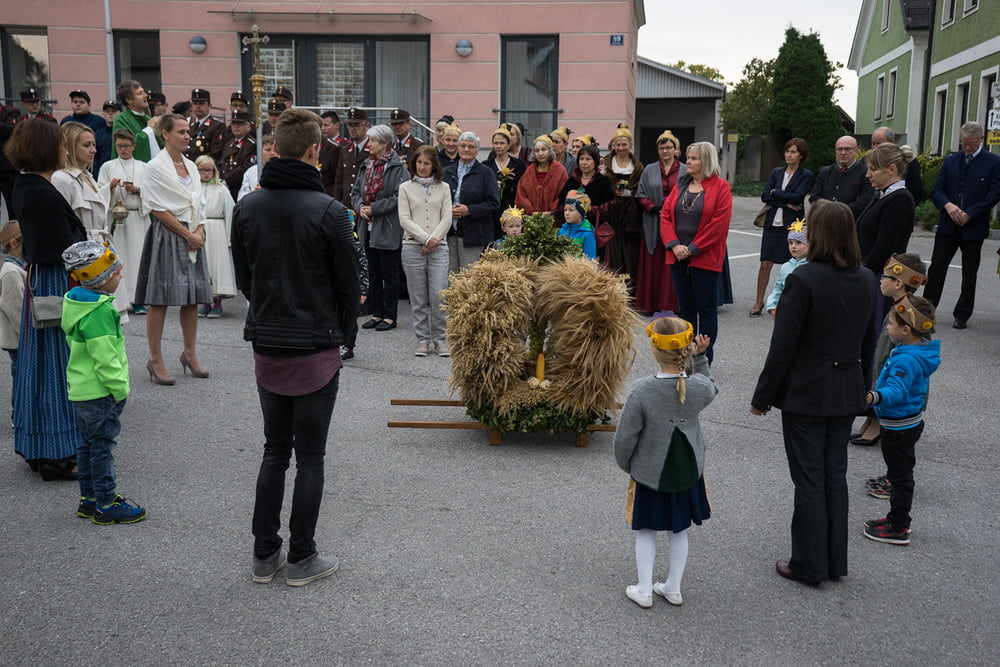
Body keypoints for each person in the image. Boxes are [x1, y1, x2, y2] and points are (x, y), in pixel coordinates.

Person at [231, 106, 360, 587]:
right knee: (309, 457)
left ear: (276, 149)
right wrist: (344, 337)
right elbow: (350, 285)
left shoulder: (247, 207)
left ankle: (265, 554)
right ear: (313, 150)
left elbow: (244, 277)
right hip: (316, 346)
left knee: (274, 451)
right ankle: (302, 555)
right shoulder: (331, 211)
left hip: (268, 342)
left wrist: (267, 313)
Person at [750, 201, 878, 586]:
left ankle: (808, 563)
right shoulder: (866, 278)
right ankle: (833, 561)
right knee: (834, 475)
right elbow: (868, 341)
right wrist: (863, 387)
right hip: (846, 388)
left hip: (807, 392)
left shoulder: (804, 279)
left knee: (809, 478)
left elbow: (783, 345)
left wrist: (762, 397)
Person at [5, 118, 87, 479]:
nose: (64, 149)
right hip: (54, 281)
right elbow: (65, 248)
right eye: (60, 143)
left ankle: (40, 447)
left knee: (39, 366)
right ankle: (59, 454)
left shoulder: (27, 185)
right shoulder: (40, 191)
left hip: (42, 277)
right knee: (57, 365)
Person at [614, 317, 715, 609]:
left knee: (645, 530)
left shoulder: (641, 391)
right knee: (679, 530)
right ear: (686, 349)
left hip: (650, 473)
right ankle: (673, 587)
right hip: (688, 470)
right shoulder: (698, 388)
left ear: (654, 350)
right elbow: (710, 386)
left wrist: (629, 465)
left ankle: (644, 590)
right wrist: (700, 358)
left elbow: (624, 440)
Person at [60, 240, 146, 524]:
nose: (120, 277)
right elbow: (105, 358)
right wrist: (119, 389)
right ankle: (107, 504)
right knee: (102, 449)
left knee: (87, 446)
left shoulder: (76, 303)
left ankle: (89, 499)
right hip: (100, 392)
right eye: (116, 273)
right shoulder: (99, 313)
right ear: (101, 279)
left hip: (81, 389)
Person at [133, 113, 212, 385]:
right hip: (168, 234)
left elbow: (199, 203)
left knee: (192, 297)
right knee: (160, 298)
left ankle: (190, 353)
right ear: (165, 134)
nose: (187, 136)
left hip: (192, 234)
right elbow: (157, 208)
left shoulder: (191, 166)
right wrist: (187, 234)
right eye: (181, 131)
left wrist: (198, 232)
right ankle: (155, 359)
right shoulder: (154, 167)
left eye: (188, 131)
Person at [862, 295, 940, 547]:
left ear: (906, 330)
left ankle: (898, 526)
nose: (887, 327)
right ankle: (897, 520)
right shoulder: (913, 350)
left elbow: (895, 392)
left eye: (891, 323)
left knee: (901, 479)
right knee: (900, 475)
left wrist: (872, 397)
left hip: (899, 428)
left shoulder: (906, 359)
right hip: (905, 424)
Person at [923, 121, 1000, 329]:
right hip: (948, 224)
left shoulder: (993, 162)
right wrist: (948, 206)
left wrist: (971, 214)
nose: (967, 148)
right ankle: (927, 310)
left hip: (973, 227)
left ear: (981, 139)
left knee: (969, 271)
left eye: (971, 144)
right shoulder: (951, 161)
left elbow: (994, 193)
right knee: (937, 267)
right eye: (963, 143)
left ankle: (962, 314)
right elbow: (937, 189)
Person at [660, 141, 732, 364]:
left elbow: (718, 225)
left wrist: (691, 249)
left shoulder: (721, 187)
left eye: (693, 158)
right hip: (677, 255)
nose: (688, 162)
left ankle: (703, 358)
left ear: (706, 161)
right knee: (685, 309)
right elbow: (665, 216)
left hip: (704, 257)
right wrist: (674, 245)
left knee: (706, 309)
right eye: (688, 157)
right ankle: (685, 354)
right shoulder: (681, 185)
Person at [51, 122, 130, 318]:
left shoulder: (88, 176)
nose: (93, 150)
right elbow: (62, 224)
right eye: (86, 145)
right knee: (92, 315)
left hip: (101, 248)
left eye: (93, 144)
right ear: (70, 146)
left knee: (109, 314)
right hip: (84, 254)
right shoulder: (62, 179)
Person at [853, 254, 927, 451]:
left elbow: (919, 345)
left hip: (897, 369)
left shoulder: (908, 312)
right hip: (887, 363)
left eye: (885, 277)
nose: (880, 280)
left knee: (887, 387)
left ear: (898, 284)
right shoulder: (898, 306)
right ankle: (871, 420)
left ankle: (879, 423)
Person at [352, 124, 406, 332]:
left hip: (387, 226)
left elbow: (399, 196)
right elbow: (355, 192)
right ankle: (376, 312)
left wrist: (374, 208)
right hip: (366, 226)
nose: (370, 144)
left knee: (389, 273)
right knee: (372, 271)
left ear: (385, 143)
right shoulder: (367, 164)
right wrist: (360, 207)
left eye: (373, 140)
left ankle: (390, 316)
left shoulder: (397, 167)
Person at [398, 145, 452, 357]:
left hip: (439, 248)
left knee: (438, 296)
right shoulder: (405, 188)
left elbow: (447, 217)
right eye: (419, 162)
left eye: (426, 163)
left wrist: (433, 240)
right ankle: (422, 339)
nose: (422, 167)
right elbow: (404, 219)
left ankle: (440, 339)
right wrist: (425, 238)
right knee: (418, 297)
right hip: (412, 247)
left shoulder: (444, 188)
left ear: (434, 165)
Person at [752, 138, 812, 317]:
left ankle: (788, 302)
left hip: (793, 226)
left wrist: (776, 193)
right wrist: (785, 203)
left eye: (793, 152)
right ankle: (758, 302)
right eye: (787, 151)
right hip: (772, 224)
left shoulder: (806, 174)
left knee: (794, 265)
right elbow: (765, 195)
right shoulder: (776, 172)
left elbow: (798, 197)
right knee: (765, 264)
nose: (789, 155)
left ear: (801, 155)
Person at [98, 129, 149, 314]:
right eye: (119, 146)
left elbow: (152, 191)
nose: (123, 149)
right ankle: (120, 300)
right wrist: (110, 188)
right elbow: (99, 191)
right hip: (117, 219)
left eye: (126, 146)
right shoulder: (107, 167)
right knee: (120, 259)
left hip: (137, 218)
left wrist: (137, 190)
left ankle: (139, 299)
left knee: (138, 258)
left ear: (133, 146)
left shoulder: (143, 167)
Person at [635, 130, 685, 314]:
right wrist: (654, 208)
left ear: (676, 149)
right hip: (653, 220)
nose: (665, 151)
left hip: (678, 221)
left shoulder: (685, 170)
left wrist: (674, 209)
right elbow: (640, 194)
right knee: (654, 261)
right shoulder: (649, 169)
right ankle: (649, 304)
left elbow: (691, 192)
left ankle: (671, 304)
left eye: (669, 147)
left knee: (672, 261)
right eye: (662, 148)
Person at [444, 131, 501, 274]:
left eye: (471, 147)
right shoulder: (447, 172)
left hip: (473, 235)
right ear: (458, 148)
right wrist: (447, 210)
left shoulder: (486, 173)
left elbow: (494, 203)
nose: (466, 149)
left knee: (469, 277)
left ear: (477, 150)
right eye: (463, 146)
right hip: (448, 233)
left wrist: (469, 210)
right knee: (450, 277)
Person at [857, 143, 916, 277]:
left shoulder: (900, 199)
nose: (867, 175)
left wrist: (861, 273)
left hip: (880, 277)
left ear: (892, 169)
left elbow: (884, 247)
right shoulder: (881, 195)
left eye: (873, 169)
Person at [601, 123, 644, 284]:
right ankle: (612, 287)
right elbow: (601, 186)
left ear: (631, 145)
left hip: (630, 217)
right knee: (612, 253)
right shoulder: (605, 164)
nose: (620, 148)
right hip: (611, 215)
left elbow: (641, 188)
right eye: (617, 144)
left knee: (630, 253)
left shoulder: (638, 167)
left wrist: (630, 193)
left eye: (624, 144)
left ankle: (629, 287)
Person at [194, 156, 236, 319]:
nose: (206, 173)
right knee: (202, 265)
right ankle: (205, 302)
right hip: (198, 230)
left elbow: (230, 211)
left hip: (216, 230)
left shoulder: (221, 189)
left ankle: (217, 303)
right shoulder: (193, 189)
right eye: (202, 170)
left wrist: (228, 236)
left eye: (209, 170)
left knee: (216, 265)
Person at [808, 135, 874, 220]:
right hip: (825, 221)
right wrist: (831, 208)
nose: (843, 153)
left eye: (847, 149)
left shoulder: (865, 173)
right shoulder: (824, 172)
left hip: (850, 221)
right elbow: (814, 197)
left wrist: (838, 211)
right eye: (840, 149)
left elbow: (865, 200)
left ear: (856, 151)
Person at [482, 126, 527, 236]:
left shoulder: (519, 165)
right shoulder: (486, 166)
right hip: (492, 213)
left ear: (509, 144)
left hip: (512, 210)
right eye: (496, 143)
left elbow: (523, 187)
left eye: (502, 143)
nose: (498, 146)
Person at [0, 221, 26, 398]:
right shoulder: (11, 271)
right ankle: (18, 411)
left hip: (21, 339)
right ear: (14, 243)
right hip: (18, 340)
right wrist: (28, 335)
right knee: (21, 378)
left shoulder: (19, 267)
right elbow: (15, 309)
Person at [514, 135, 568, 218]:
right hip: (532, 218)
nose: (540, 153)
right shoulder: (529, 171)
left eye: (543, 149)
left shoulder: (560, 170)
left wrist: (552, 211)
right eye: (537, 150)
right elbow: (521, 195)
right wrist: (531, 212)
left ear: (550, 150)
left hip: (554, 218)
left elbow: (564, 194)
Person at [764, 220, 808, 315]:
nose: (793, 246)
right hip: (787, 311)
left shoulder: (811, 267)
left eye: (799, 243)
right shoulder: (786, 266)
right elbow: (778, 288)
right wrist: (771, 306)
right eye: (790, 243)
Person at [871, 127, 923, 203]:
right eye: (873, 143)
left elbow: (916, 190)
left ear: (892, 142)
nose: (875, 147)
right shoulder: (867, 161)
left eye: (879, 143)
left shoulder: (907, 162)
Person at [333, 107, 371, 209]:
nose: (352, 129)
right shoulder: (345, 150)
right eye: (350, 125)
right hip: (346, 207)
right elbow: (339, 182)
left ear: (367, 126)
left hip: (364, 207)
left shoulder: (372, 149)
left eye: (357, 125)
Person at [112, 80, 156, 162]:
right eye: (140, 93)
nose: (145, 95)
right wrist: (149, 130)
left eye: (143, 92)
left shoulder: (148, 119)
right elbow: (125, 144)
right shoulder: (121, 119)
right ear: (128, 100)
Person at [218, 110, 257, 201]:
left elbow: (246, 167)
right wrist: (220, 178)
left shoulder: (252, 145)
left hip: (240, 188)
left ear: (248, 126)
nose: (236, 126)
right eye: (233, 123)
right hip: (225, 188)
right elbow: (222, 162)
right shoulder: (229, 143)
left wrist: (227, 180)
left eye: (240, 123)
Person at [185, 89, 227, 164]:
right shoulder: (188, 125)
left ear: (209, 106)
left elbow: (215, 154)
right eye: (195, 103)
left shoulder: (217, 126)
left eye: (202, 103)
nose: (198, 106)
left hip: (204, 167)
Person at [559, 190, 596, 259]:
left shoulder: (587, 234)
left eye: (571, 210)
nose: (567, 213)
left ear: (581, 214)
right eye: (565, 210)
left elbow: (591, 261)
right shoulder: (561, 231)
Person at [238, 135, 276, 201]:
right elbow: (240, 199)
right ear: (260, 151)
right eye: (268, 150)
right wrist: (253, 194)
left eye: (275, 150)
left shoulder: (284, 171)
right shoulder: (251, 172)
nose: (272, 153)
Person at [94, 100, 122, 178]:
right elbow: (95, 158)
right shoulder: (98, 134)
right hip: (102, 174)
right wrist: (97, 176)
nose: (110, 113)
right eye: (107, 111)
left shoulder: (124, 133)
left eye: (113, 111)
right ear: (103, 113)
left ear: (120, 113)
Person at [317, 111, 341, 197]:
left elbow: (338, 177)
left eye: (326, 125)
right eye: (321, 126)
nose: (323, 128)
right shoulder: (317, 144)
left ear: (337, 125)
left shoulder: (339, 147)